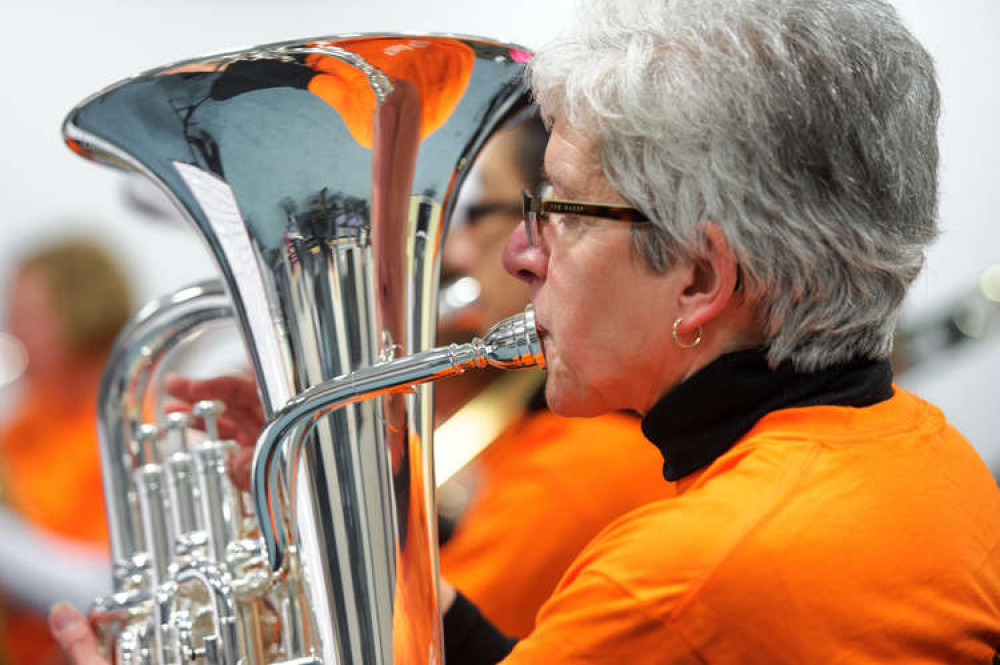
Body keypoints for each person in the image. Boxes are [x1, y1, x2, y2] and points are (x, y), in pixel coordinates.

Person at [52, 0, 1000, 662]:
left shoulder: (679, 579)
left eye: (562, 211)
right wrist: (347, 514)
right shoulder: (925, 451)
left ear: (702, 277)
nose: (519, 256)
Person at [435, 114, 672, 638]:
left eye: (479, 214)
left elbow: (403, 642)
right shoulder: (533, 434)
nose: (455, 253)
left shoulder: (584, 460)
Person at [0, 238, 132, 665]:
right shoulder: (25, 423)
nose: (12, 333)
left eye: (28, 317)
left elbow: (106, 587)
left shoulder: (131, 424)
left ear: (82, 314)